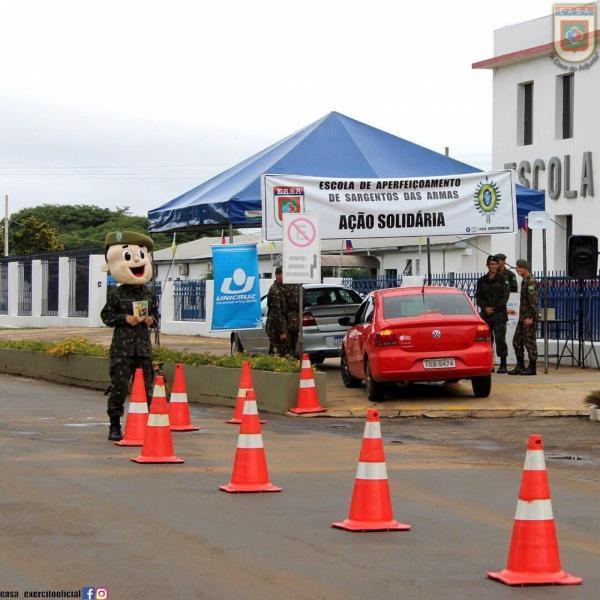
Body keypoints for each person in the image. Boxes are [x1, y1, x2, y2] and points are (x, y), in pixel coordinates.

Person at [100, 231, 158, 441]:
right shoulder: (116, 293)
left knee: (147, 389)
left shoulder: (149, 293)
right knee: (119, 388)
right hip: (122, 350)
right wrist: (125, 318)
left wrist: (151, 320)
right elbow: (106, 316)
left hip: (142, 349)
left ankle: (152, 426)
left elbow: (156, 317)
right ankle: (114, 425)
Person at [476, 255, 511, 373]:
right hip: (486, 315)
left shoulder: (503, 279)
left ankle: (503, 364)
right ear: (487, 265)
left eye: (496, 264)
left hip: (499, 315)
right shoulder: (481, 281)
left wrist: (494, 308)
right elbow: (478, 297)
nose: (494, 266)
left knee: (500, 339)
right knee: (487, 340)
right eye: (492, 264)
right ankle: (489, 363)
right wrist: (485, 308)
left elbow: (505, 297)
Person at [509, 259, 539, 376]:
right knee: (517, 341)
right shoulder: (524, 281)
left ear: (526, 268)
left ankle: (532, 368)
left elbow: (534, 302)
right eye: (517, 267)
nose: (517, 269)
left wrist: (531, 317)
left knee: (530, 342)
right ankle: (520, 366)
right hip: (522, 318)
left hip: (528, 318)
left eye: (520, 267)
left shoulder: (531, 282)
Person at [265, 266, 290, 356]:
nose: (282, 277)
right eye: (281, 275)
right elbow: (277, 312)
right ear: (277, 275)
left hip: (276, 325)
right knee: (278, 352)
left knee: (276, 351)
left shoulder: (281, 288)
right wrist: (282, 331)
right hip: (275, 327)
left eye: (283, 275)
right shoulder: (275, 290)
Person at [284, 282, 301, 357]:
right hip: (297, 321)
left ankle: (290, 360)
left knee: (287, 347)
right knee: (293, 345)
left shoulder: (283, 288)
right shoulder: (300, 288)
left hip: (287, 322)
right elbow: (303, 304)